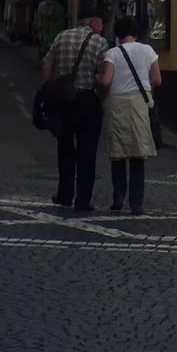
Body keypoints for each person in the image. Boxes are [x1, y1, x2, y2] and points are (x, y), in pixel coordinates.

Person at [42, 16, 109, 212]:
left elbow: (47, 64)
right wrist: (101, 97)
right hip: (86, 99)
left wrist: (47, 89)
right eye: (101, 26)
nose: (101, 30)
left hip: (62, 98)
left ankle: (64, 194)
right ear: (94, 24)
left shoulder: (61, 36)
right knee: (87, 151)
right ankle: (83, 199)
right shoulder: (100, 42)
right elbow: (102, 75)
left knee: (64, 146)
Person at [98, 15, 161, 214]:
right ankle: (136, 202)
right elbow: (157, 80)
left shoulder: (112, 53)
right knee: (137, 154)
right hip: (139, 103)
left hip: (117, 102)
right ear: (136, 32)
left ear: (118, 34)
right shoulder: (148, 50)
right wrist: (146, 91)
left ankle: (118, 197)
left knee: (118, 154)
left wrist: (97, 80)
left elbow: (106, 81)